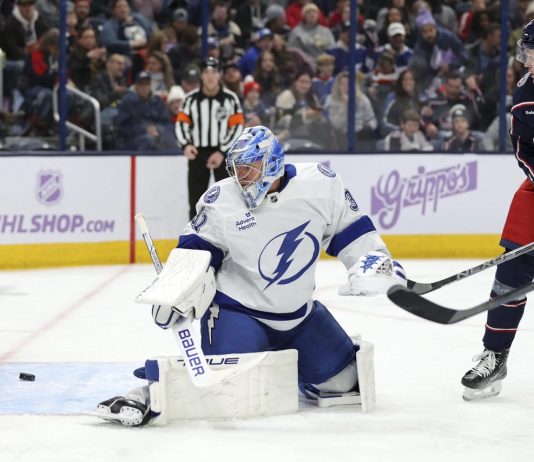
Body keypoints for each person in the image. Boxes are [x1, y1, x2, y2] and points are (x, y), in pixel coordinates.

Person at [95, 125, 407, 425]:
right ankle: (146, 394)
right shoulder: (221, 200)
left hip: (300, 317)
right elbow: (195, 252)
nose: (241, 178)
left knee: (342, 383)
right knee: (225, 390)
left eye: (249, 168)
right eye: (237, 169)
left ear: (273, 163)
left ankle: (292, 369)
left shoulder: (321, 184)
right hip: (238, 313)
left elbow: (351, 230)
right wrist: (175, 293)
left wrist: (374, 264)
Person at [460, 21, 534, 401]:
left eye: (532, 52)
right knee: (512, 272)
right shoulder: (526, 98)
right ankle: (495, 355)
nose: (527, 61)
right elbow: (525, 152)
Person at [175, 57, 244, 220]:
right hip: (197, 154)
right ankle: (194, 240)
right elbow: (181, 124)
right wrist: (186, 145)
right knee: (196, 203)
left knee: (229, 201)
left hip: (225, 155)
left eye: (214, 72)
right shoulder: (190, 99)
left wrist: (222, 151)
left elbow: (237, 127)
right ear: (201, 75)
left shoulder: (230, 99)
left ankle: (228, 239)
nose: (210, 76)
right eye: (206, 72)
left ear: (220, 74)